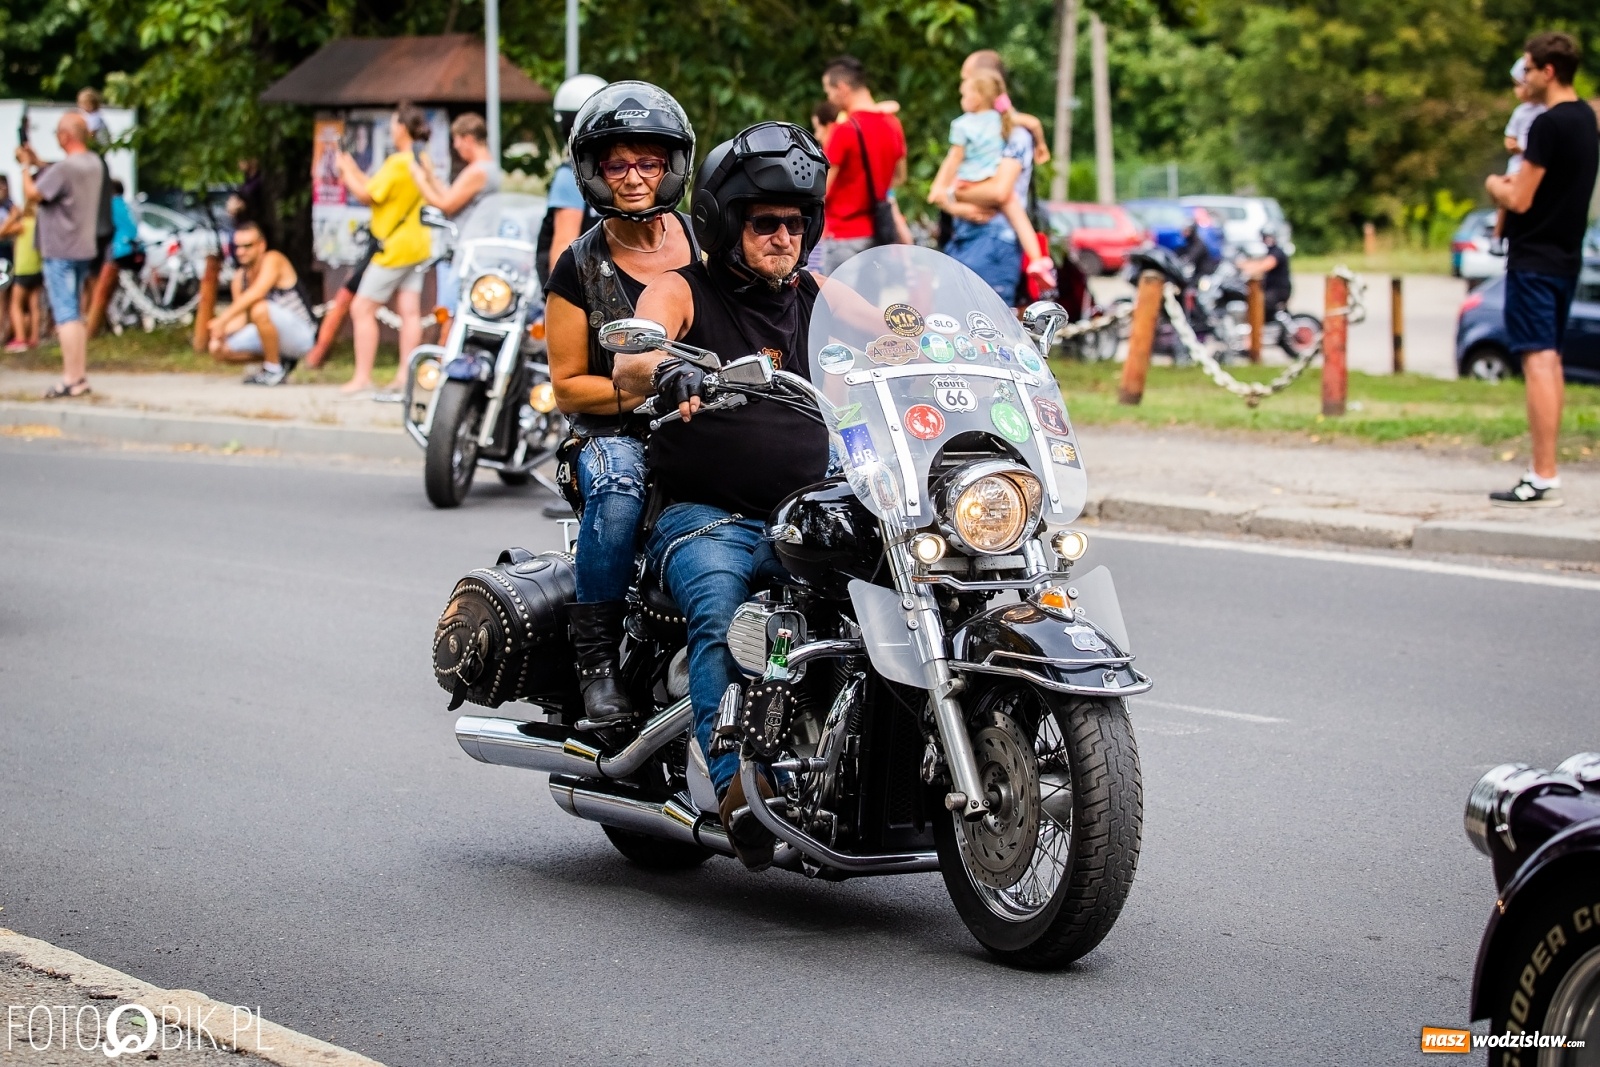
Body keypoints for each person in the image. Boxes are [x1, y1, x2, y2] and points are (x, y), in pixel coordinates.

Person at [612, 123, 831, 869]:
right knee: (721, 604)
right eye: (765, 222)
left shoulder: (817, 296)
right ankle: (740, 788)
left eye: (795, 223)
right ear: (728, 223)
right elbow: (635, 360)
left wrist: (955, 352)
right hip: (707, 514)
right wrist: (668, 371)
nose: (782, 236)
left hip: (808, 513)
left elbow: (898, 340)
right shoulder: (684, 286)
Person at [543, 81, 698, 729]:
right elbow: (568, 386)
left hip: (703, 421)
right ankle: (597, 663)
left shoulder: (703, 242)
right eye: (617, 164)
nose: (634, 177)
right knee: (619, 478)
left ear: (672, 167)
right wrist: (638, 392)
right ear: (594, 171)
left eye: (649, 162)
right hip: (610, 435)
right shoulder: (579, 267)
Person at [1484, 31, 1599, 508]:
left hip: (1533, 258)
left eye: (1527, 68)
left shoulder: (1549, 125)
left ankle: (1543, 471)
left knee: (1537, 361)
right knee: (1549, 360)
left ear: (1547, 72)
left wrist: (1495, 184)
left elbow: (1521, 196)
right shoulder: (1585, 121)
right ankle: (1546, 467)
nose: (1522, 77)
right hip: (1566, 255)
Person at [931, 69, 1055, 301]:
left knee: (983, 318)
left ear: (977, 96)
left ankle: (1039, 261)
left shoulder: (969, 126)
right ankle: (1038, 260)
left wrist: (954, 193)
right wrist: (1042, 146)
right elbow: (1034, 122)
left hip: (991, 235)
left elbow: (997, 191)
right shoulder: (1002, 121)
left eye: (964, 91)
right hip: (967, 234)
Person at [334, 102, 430, 395]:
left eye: (392, 123)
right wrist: (351, 168)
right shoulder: (420, 158)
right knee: (410, 311)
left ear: (402, 127)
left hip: (395, 248)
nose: (390, 128)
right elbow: (378, 189)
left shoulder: (399, 162)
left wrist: (345, 171)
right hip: (419, 243)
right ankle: (404, 376)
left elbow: (366, 195)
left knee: (362, 308)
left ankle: (362, 376)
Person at [17, 112, 103, 398]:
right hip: (82, 247)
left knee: (65, 314)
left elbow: (33, 194)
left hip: (60, 249)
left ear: (66, 136)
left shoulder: (66, 169)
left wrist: (26, 166)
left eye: (57, 133)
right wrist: (40, 161)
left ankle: (71, 377)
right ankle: (79, 376)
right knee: (74, 313)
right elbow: (59, 173)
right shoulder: (92, 164)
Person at [817, 56, 906, 274]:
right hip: (876, 237)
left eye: (829, 91)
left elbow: (822, 189)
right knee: (867, 306)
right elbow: (900, 176)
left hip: (843, 237)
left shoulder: (844, 130)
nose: (829, 98)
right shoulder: (893, 124)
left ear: (842, 88)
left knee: (833, 306)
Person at [411, 112, 502, 319]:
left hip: (463, 252)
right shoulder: (490, 168)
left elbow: (446, 205)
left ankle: (445, 351)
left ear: (468, 139)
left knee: (449, 314)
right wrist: (430, 175)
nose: (456, 146)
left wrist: (420, 181)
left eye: (457, 141)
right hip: (475, 250)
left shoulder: (477, 171)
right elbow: (451, 195)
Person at [206, 221, 317, 385]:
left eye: (247, 246)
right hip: (270, 331)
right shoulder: (239, 277)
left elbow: (257, 293)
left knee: (259, 307)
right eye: (237, 247)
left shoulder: (273, 259)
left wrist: (222, 319)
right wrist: (222, 332)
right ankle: (277, 362)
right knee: (218, 348)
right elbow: (242, 319)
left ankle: (273, 370)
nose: (241, 251)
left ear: (261, 245)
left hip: (301, 334)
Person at [539, 74, 607, 287]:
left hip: (583, 294)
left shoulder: (571, 175)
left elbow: (563, 244)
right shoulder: (617, 172)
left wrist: (558, 298)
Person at [1495, 58, 1548, 244]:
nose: (1517, 91)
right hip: (1520, 162)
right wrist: (1514, 146)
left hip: (1537, 162)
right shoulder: (1520, 112)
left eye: (1519, 85)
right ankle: (1498, 235)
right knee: (1507, 197)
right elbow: (1509, 137)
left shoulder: (1548, 111)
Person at [2, 203, 42, 352]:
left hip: (23, 270)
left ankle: (20, 339)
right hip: (37, 270)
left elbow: (2, 233)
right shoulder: (38, 226)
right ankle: (35, 338)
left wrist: (12, 217)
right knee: (34, 306)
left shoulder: (22, 225)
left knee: (15, 305)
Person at [1237, 225, 1292, 315]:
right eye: (1265, 237)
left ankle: (1258, 326)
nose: (1267, 239)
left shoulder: (1277, 252)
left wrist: (1248, 270)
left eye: (1269, 237)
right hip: (1270, 289)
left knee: (1258, 305)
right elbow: (1258, 262)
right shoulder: (1269, 252)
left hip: (1277, 290)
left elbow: (1265, 265)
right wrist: (1241, 264)